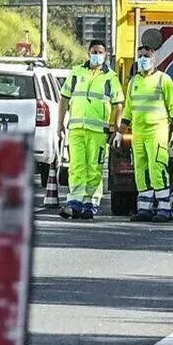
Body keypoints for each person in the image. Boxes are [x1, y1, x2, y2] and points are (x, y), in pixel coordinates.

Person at [58, 40, 123, 220]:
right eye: (94, 51)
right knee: (76, 166)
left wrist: (116, 128)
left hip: (98, 131)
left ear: (106, 54)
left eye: (100, 52)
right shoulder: (77, 72)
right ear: (88, 53)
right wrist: (59, 124)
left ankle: (91, 203)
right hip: (77, 128)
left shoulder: (110, 77)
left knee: (94, 168)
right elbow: (64, 98)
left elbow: (118, 104)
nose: (97, 55)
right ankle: (74, 201)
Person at [117, 45, 173, 222]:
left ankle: (164, 209)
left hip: (157, 131)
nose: (143, 59)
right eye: (140, 56)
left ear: (154, 58)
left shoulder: (163, 80)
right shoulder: (133, 82)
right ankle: (144, 209)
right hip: (138, 133)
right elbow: (129, 110)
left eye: (147, 55)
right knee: (140, 169)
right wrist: (120, 132)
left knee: (157, 168)